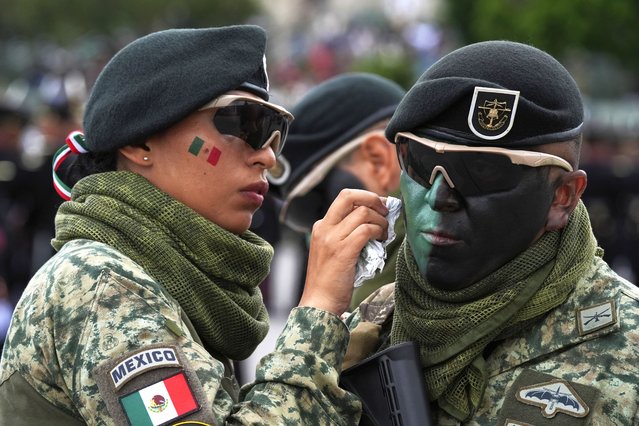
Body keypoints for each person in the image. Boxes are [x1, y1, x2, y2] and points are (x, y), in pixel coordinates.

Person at [0, 25, 389, 425]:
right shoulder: (101, 284)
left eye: (275, 135)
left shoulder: (164, 275)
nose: (267, 158)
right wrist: (319, 310)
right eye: (245, 123)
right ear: (141, 141)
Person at [342, 40, 639, 423]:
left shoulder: (626, 348)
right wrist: (316, 316)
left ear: (562, 197)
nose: (440, 197)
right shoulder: (368, 324)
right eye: (419, 161)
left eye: (482, 172)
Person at [269, 72, 406, 310]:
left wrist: (321, 307)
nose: (319, 229)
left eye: (321, 205)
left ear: (378, 161)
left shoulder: (394, 286)